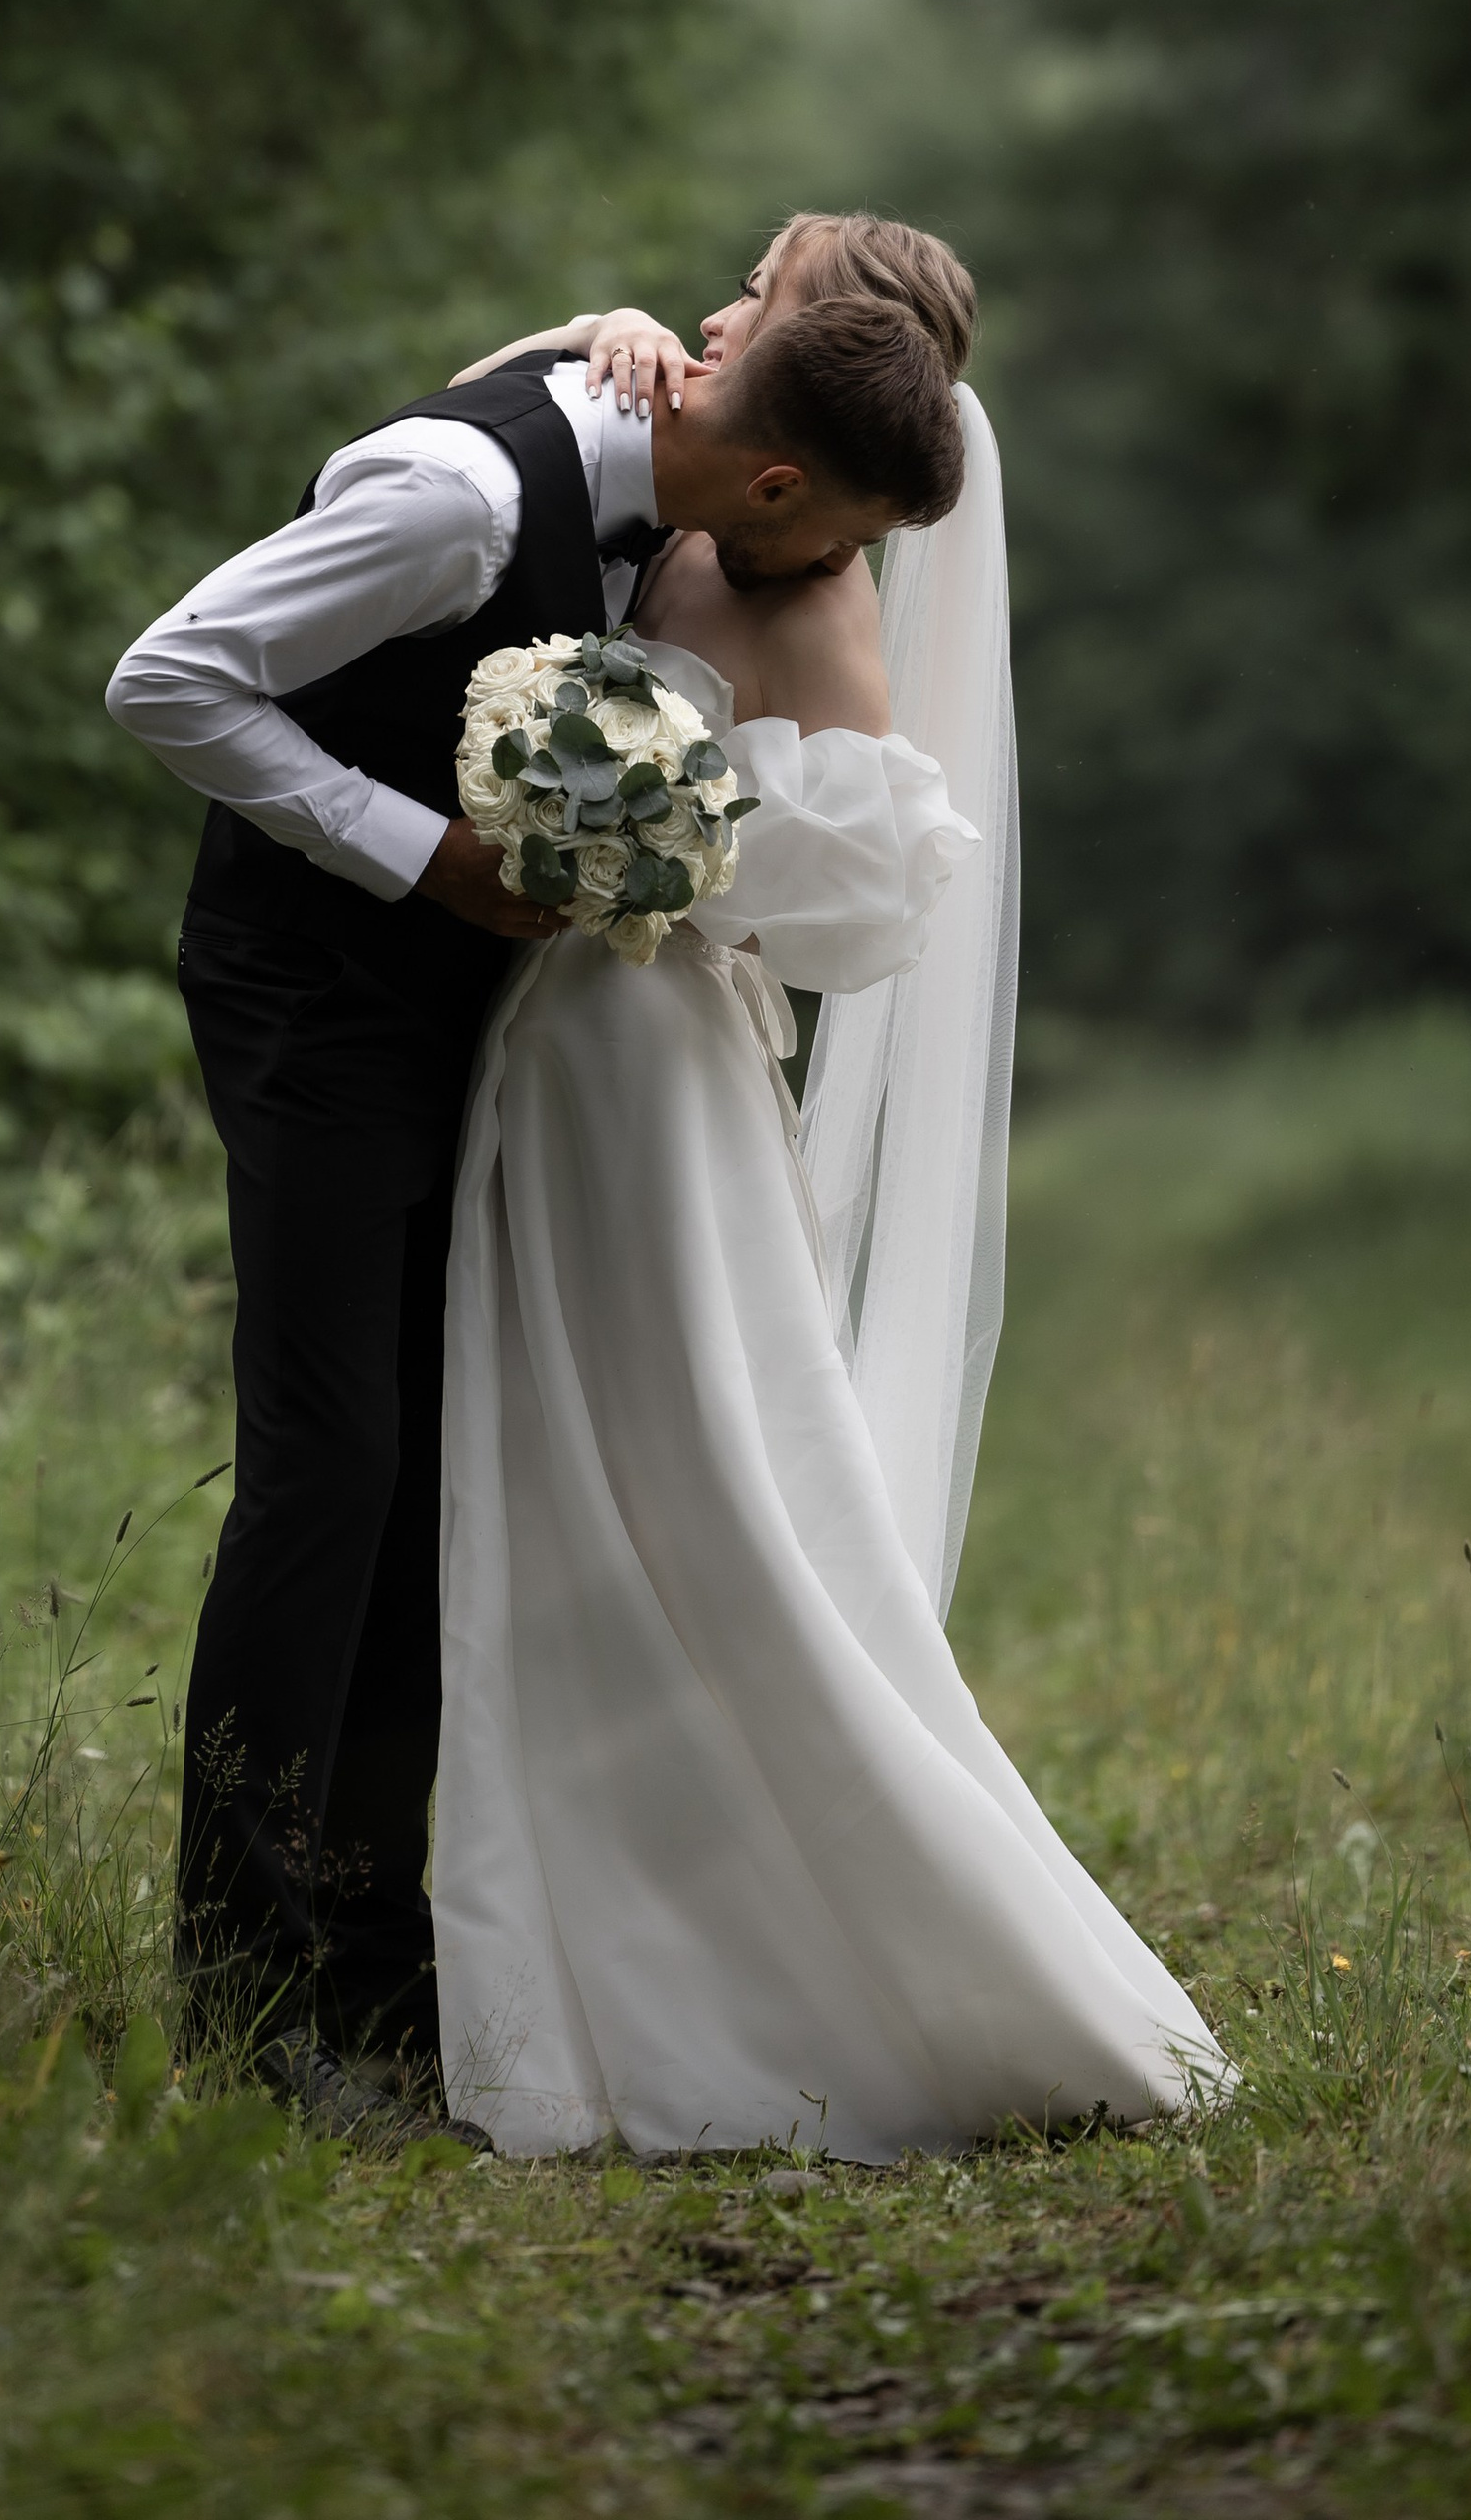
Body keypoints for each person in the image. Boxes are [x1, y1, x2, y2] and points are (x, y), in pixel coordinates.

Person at [104, 262, 956, 2131]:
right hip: (319, 1003)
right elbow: (166, 675)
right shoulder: (457, 496)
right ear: (783, 488)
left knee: (429, 1482)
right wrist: (421, 856)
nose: (831, 582)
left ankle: (378, 1969)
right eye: (842, 541)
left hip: (469, 1018)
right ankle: (242, 2012)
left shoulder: (657, 453)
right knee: (328, 1478)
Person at [431, 215, 1222, 2154]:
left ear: (809, 352)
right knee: (566, 1473)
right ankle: (583, 1911)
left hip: (648, 1057)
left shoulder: (816, 587)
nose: (711, 312)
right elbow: (507, 445)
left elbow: (863, 901)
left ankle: (822, 1953)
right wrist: (586, 334)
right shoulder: (705, 488)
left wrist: (649, 840)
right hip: (556, 1042)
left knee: (694, 1473)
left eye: (752, 295)